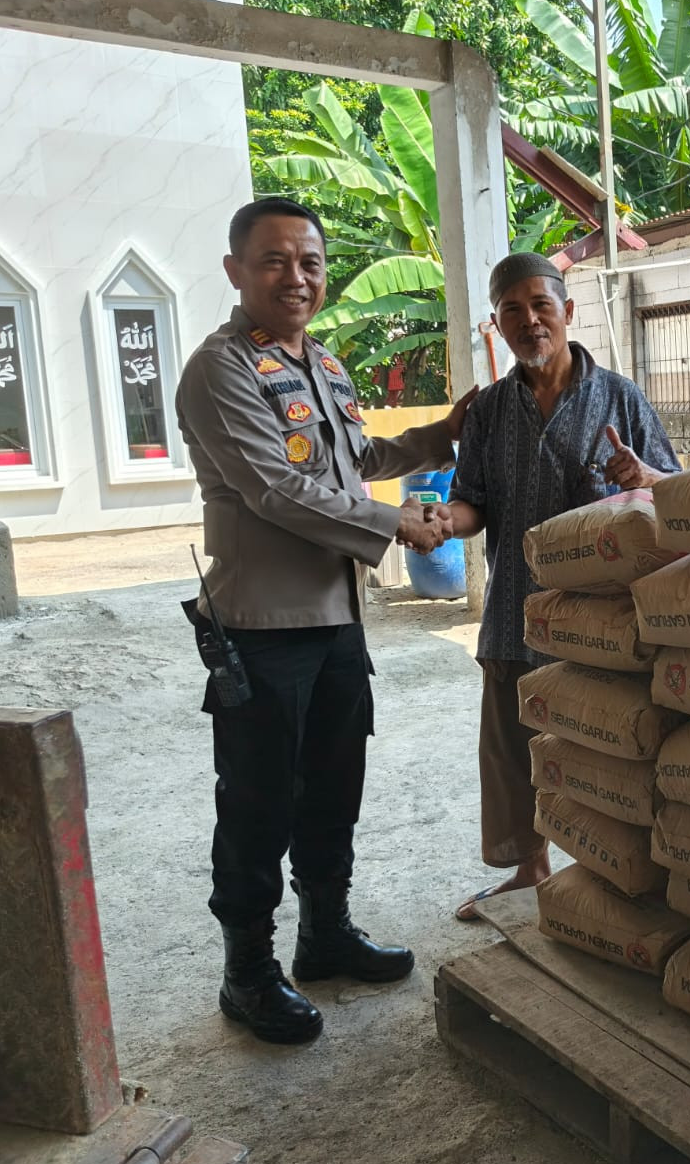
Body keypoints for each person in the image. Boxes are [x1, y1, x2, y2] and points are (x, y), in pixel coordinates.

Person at [175, 196, 474, 1044]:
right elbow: (274, 487)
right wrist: (396, 523)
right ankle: (247, 972)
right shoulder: (221, 369)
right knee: (259, 803)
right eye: (275, 260)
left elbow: (356, 460)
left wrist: (438, 437)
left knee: (335, 788)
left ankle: (325, 936)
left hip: (337, 621)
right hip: (263, 629)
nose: (296, 277)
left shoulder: (327, 368)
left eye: (309, 261)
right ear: (237, 271)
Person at [448, 253, 681, 921]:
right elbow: (472, 504)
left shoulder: (619, 396)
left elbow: (673, 488)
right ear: (496, 324)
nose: (528, 321)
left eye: (540, 306)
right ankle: (531, 868)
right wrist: (442, 520)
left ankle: (608, 876)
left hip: (601, 623)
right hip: (514, 613)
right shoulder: (489, 411)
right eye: (512, 311)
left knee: (604, 748)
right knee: (516, 750)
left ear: (567, 313)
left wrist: (643, 477)